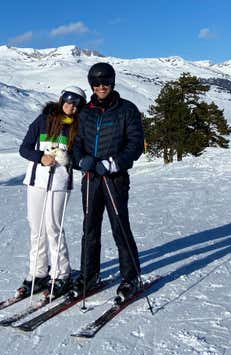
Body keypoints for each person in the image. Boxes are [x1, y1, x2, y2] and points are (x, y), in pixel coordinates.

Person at [72, 62, 145, 300]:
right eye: (96, 83)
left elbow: (135, 144)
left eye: (105, 82)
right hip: (91, 177)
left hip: (114, 178)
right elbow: (77, 142)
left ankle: (130, 276)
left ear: (112, 82)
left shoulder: (126, 110)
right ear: (91, 85)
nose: (101, 87)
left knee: (119, 226)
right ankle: (89, 275)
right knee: (89, 228)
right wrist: (81, 160)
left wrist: (114, 163)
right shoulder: (85, 112)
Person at [19, 86, 87, 298]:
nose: (71, 106)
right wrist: (40, 157)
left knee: (52, 227)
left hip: (59, 182)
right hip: (36, 180)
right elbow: (24, 148)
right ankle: (38, 273)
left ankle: (61, 274)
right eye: (68, 101)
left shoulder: (78, 127)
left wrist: (70, 160)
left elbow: (79, 158)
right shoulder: (43, 120)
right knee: (36, 227)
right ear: (61, 100)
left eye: (76, 104)